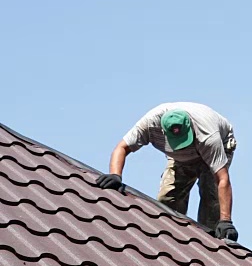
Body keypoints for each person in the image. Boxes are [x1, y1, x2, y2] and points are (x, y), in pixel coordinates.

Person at [96, 102, 238, 241]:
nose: (182, 146)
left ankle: (211, 244)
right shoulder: (149, 124)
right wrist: (115, 175)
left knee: (210, 196)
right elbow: (122, 148)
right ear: (163, 132)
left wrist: (226, 221)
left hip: (215, 145)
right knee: (167, 202)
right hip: (180, 159)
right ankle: (171, 240)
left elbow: (222, 179)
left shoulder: (209, 136)